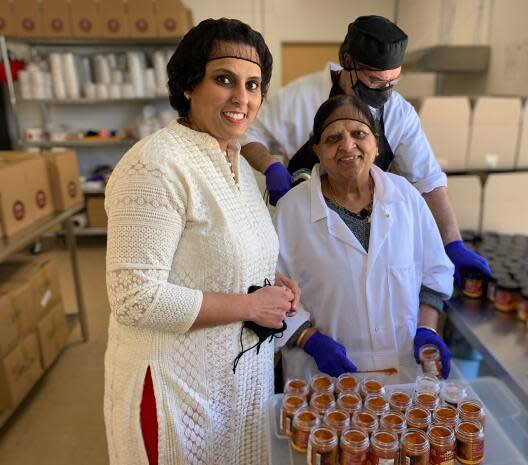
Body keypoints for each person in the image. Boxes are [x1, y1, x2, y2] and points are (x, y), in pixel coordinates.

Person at [103, 18, 300, 465]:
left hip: (231, 387)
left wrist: (271, 281)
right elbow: (135, 298)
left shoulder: (232, 159)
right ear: (190, 83)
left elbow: (219, 252)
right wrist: (252, 306)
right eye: (224, 79)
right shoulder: (156, 164)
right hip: (175, 391)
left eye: (254, 85)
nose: (242, 98)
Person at [242, 15, 490, 287]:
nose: (384, 92)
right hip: (304, 233)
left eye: (391, 83)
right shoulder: (300, 97)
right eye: (374, 81)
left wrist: (452, 243)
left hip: (370, 236)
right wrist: (271, 166)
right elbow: (248, 135)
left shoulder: (398, 113)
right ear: (348, 61)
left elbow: (428, 180)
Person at [272, 95, 454, 384]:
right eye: (333, 138)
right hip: (322, 378)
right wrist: (307, 337)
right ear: (316, 150)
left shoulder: (406, 197)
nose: (348, 146)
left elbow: (435, 275)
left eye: (359, 134)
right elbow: (271, 290)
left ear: (376, 143)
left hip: (402, 373)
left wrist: (427, 330)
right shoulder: (291, 211)